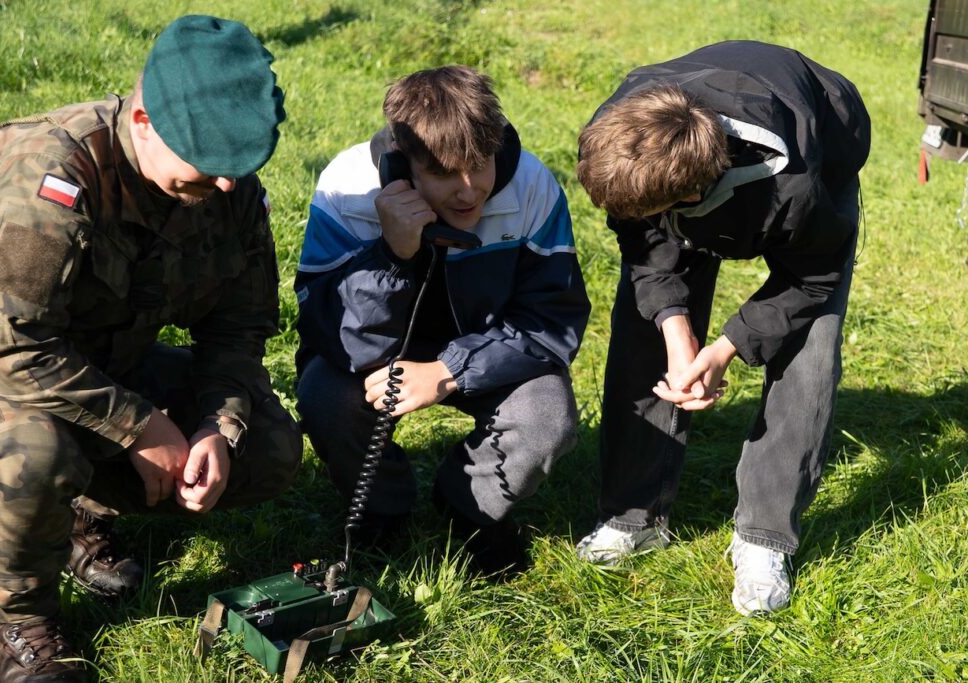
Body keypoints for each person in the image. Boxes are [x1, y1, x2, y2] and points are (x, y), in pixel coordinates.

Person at [0, 15, 300, 681]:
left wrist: (213, 427)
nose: (227, 185)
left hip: (108, 364)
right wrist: (139, 425)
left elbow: (236, 331)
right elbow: (10, 346)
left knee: (271, 447)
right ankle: (22, 622)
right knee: (33, 447)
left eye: (240, 162)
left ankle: (80, 514)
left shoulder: (229, 188)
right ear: (141, 119)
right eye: (209, 157)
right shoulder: (50, 174)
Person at [574, 41, 870, 615]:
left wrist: (727, 348)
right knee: (644, 329)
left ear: (689, 195)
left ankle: (764, 538)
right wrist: (677, 331)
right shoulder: (618, 142)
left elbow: (811, 280)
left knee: (808, 346)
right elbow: (644, 244)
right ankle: (634, 514)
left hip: (817, 157)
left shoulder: (797, 189)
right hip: (676, 167)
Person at [294, 65, 590, 576]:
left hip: (489, 352)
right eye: (443, 173)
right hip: (377, 355)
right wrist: (392, 255)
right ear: (403, 166)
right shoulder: (347, 188)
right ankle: (382, 508)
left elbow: (552, 320)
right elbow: (330, 335)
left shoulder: (534, 186)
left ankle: (467, 509)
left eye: (480, 164)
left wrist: (450, 370)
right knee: (324, 393)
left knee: (548, 415)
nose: (469, 190)